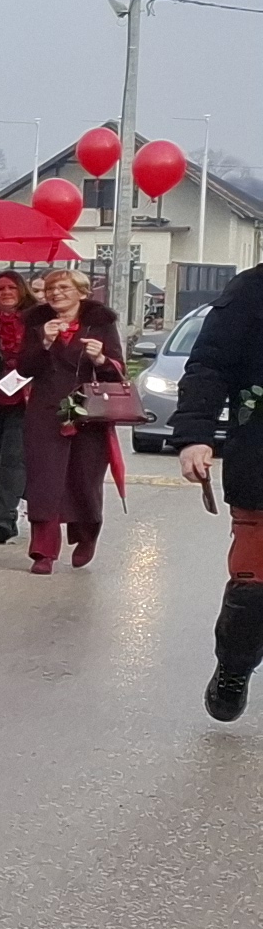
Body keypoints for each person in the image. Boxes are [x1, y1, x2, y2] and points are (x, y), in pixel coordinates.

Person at [174, 261, 263, 718]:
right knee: (254, 587)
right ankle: (234, 664)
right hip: (261, 461)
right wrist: (195, 435)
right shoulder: (252, 291)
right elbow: (209, 365)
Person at [11, 263, 127, 574]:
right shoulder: (37, 324)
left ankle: (86, 534)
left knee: (84, 478)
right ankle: (43, 551)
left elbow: (117, 371)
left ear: (82, 293)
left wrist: (100, 358)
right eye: (51, 289)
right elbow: (24, 369)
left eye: (64, 288)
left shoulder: (100, 323)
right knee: (44, 480)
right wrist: (45, 344)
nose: (56, 293)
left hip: (90, 412)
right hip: (46, 411)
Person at [0, 272, 39, 543]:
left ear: (21, 291)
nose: (5, 293)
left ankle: (4, 517)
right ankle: (4, 512)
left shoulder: (36, 320)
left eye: (11, 288)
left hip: (23, 399)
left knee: (13, 457)